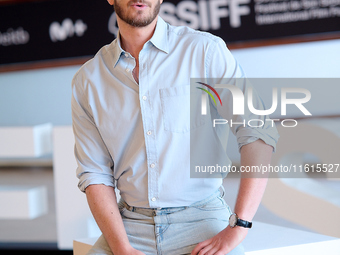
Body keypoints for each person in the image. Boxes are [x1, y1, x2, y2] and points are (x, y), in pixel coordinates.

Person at [71, 0, 279, 254]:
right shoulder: (88, 80)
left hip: (201, 219)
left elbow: (257, 131)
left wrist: (240, 225)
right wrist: (122, 247)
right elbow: (95, 173)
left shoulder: (205, 51)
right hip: (129, 226)